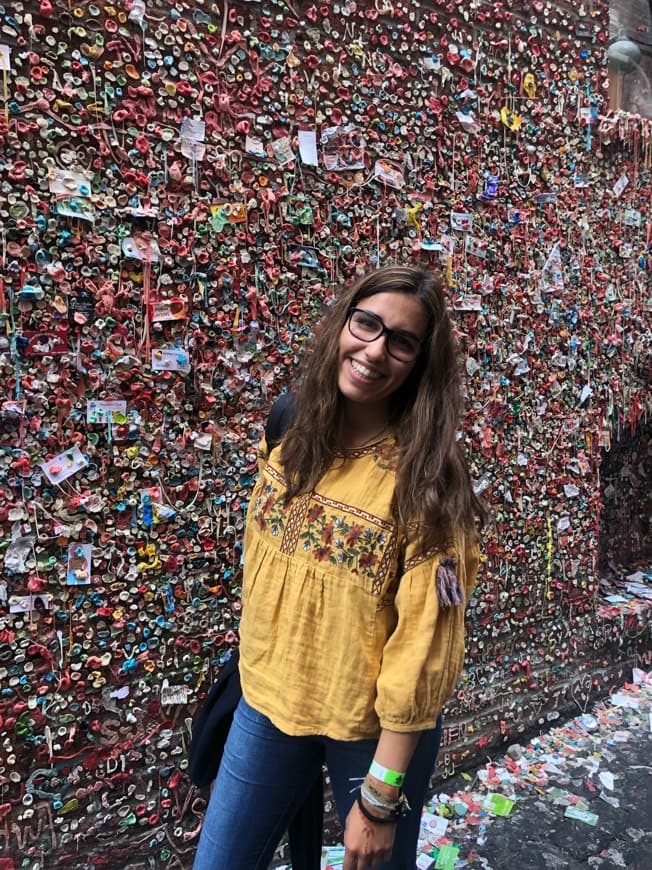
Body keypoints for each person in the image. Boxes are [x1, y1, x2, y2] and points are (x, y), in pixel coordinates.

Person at [193, 265, 485, 870]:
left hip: (370, 733)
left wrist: (378, 804)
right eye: (367, 324)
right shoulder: (291, 428)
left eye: (401, 342)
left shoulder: (427, 485)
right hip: (268, 705)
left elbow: (425, 647)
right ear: (342, 324)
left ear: (420, 364)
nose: (375, 351)